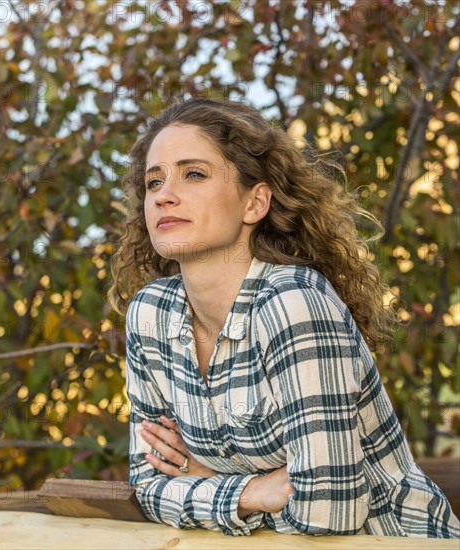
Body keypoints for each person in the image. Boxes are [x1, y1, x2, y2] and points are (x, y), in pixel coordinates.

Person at [107, 98, 460, 538]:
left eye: (193, 173)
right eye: (153, 181)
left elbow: (331, 513)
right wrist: (250, 493)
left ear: (255, 203)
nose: (164, 195)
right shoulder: (150, 315)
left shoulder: (292, 303)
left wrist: (203, 482)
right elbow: (146, 487)